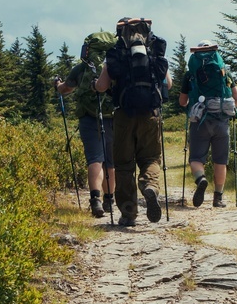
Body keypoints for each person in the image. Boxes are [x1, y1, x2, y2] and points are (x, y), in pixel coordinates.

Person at [94, 17, 172, 227]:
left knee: (124, 165)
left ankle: (128, 214)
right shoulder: (152, 50)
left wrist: (96, 83)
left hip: (123, 114)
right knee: (151, 159)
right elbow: (169, 83)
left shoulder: (116, 52)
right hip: (150, 113)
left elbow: (102, 86)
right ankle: (151, 187)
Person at [54, 31, 117, 218]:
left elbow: (65, 89)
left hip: (89, 118)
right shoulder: (115, 66)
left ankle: (95, 199)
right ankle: (110, 200)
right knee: (111, 162)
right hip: (112, 117)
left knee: (95, 159)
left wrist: (57, 85)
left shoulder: (81, 68)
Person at [179, 40, 237, 208]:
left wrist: (193, 108)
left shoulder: (190, 74)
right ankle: (218, 198)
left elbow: (182, 101)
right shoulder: (224, 72)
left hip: (199, 122)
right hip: (222, 122)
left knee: (195, 158)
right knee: (220, 161)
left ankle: (201, 179)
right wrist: (224, 108)